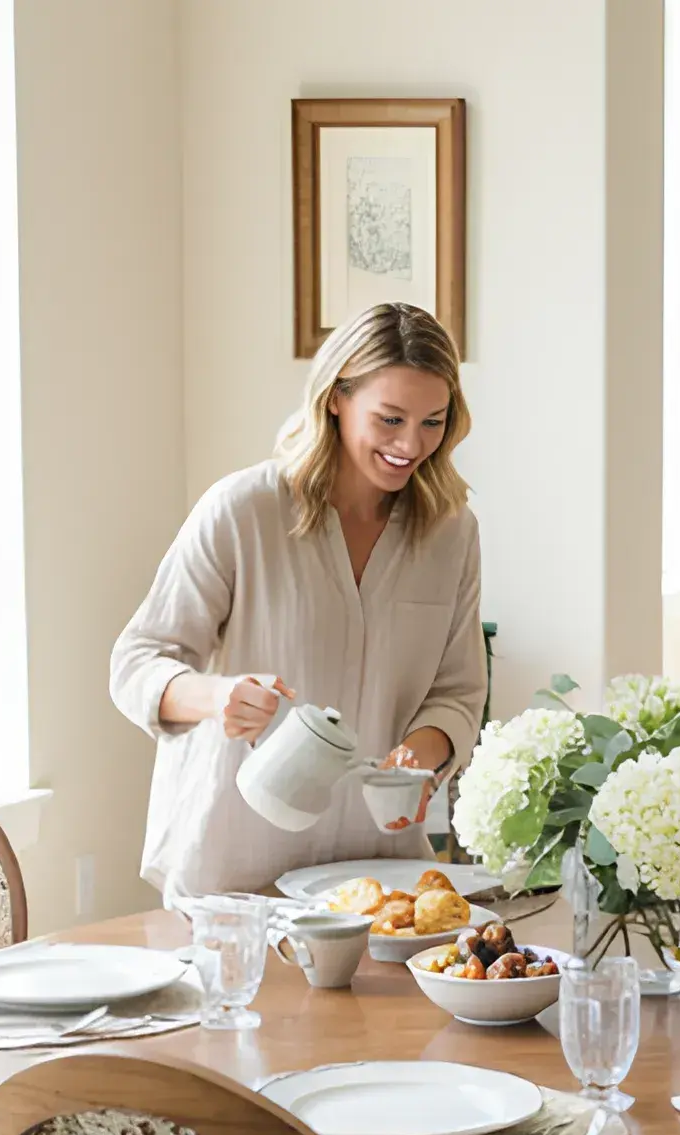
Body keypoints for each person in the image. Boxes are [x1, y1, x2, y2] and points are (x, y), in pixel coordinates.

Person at [110, 302, 485, 903]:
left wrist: (419, 755)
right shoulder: (243, 511)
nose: (410, 445)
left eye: (432, 422)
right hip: (236, 873)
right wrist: (219, 696)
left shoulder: (451, 532)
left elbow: (458, 691)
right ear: (336, 397)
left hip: (379, 877)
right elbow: (137, 662)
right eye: (389, 419)